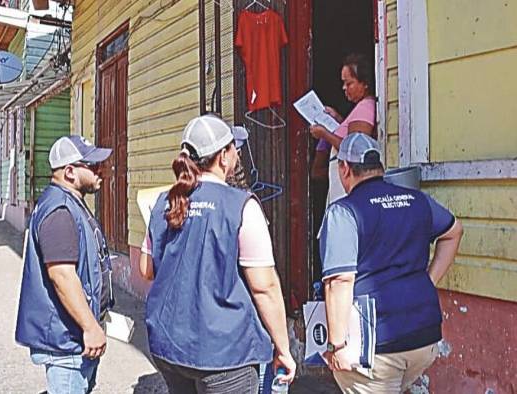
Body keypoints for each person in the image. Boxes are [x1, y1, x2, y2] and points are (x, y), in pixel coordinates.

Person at [139, 114, 296, 394]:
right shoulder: (241, 206)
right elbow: (264, 287)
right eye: (234, 147)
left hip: (168, 346)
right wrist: (283, 348)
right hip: (223, 355)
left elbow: (146, 270)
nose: (237, 153)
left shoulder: (165, 202)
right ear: (224, 157)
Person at [318, 133, 463, 393]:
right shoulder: (416, 200)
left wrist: (337, 345)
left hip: (376, 345)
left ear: (344, 168)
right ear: (380, 167)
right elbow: (454, 231)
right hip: (424, 337)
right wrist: (428, 281)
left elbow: (340, 280)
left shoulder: (344, 212)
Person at [15, 135, 114, 394]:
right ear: (70, 172)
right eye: (92, 165)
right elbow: (61, 275)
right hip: (67, 344)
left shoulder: (69, 203)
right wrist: (90, 327)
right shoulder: (59, 210)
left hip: (74, 338)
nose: (100, 169)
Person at [310, 54, 376, 203]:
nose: (344, 88)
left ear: (364, 83)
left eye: (349, 83)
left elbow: (354, 149)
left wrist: (324, 134)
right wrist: (339, 119)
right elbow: (351, 134)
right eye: (343, 83)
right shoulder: (361, 107)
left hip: (347, 184)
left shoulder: (366, 107)